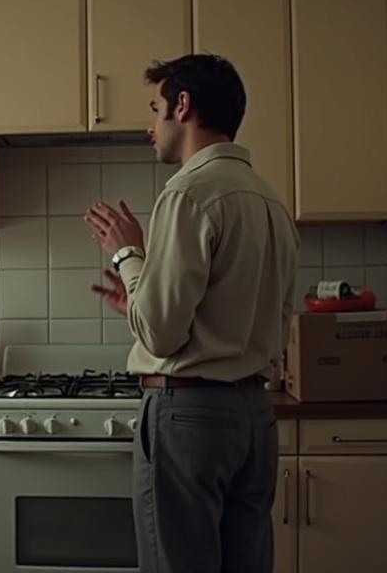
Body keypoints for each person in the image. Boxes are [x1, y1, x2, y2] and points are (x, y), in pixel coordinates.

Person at [84, 54, 299, 573]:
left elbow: (160, 334)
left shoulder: (188, 192)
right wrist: (139, 297)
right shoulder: (270, 199)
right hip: (254, 416)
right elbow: (256, 312)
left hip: (190, 417)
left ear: (182, 106)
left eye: (154, 108)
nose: (150, 126)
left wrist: (127, 254)